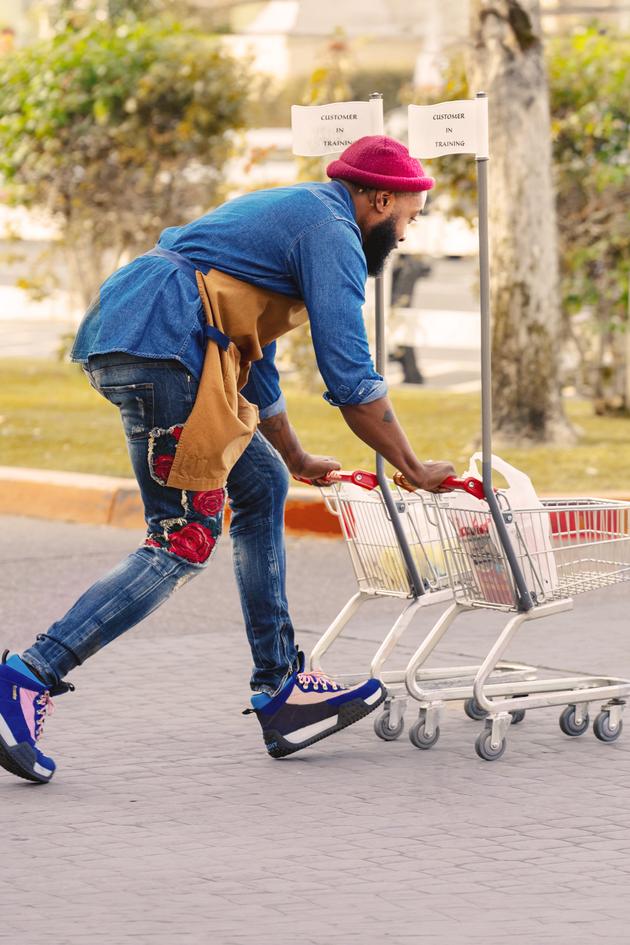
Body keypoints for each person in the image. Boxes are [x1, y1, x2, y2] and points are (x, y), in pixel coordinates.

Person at [0, 136, 456, 783]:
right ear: (380, 198)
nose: (406, 234)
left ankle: (282, 693)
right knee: (181, 538)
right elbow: (351, 377)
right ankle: (28, 676)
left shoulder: (303, 214)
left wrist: (294, 453)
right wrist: (413, 465)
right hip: (165, 343)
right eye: (410, 215)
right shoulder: (332, 231)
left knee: (264, 480)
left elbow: (254, 353)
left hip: (147, 334)